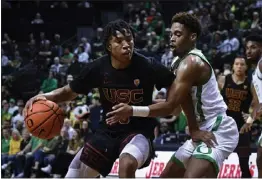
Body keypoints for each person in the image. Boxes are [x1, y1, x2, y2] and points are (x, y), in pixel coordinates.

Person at [23, 19, 175, 178]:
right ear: (109, 46)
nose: (126, 44)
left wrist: (171, 104)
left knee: (127, 162)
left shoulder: (147, 65)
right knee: (74, 172)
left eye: (129, 39)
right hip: (107, 132)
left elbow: (174, 85)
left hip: (139, 131)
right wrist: (44, 96)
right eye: (119, 41)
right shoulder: (97, 68)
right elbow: (70, 91)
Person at [106, 12, 239, 178]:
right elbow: (183, 101)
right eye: (171, 34)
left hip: (219, 128)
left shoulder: (192, 63)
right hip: (202, 128)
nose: (171, 38)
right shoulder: (177, 62)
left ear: (192, 37)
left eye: (178, 34)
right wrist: (194, 129)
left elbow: (170, 106)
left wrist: (131, 109)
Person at [218, 57, 258, 177]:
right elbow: (212, 100)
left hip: (242, 127)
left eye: (242, 64)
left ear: (246, 67)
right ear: (233, 66)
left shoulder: (251, 84)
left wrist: (250, 120)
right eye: (237, 64)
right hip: (223, 126)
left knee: (244, 164)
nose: (239, 66)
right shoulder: (222, 80)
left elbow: (257, 104)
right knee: (212, 160)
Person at [240, 34, 262, 178]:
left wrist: (251, 119)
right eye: (247, 48)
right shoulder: (255, 71)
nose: (249, 51)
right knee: (260, 160)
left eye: (253, 47)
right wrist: (252, 115)